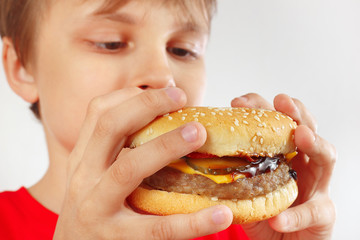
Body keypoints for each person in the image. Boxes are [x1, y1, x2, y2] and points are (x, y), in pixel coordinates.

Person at [0, 0, 336, 239]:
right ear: (20, 68)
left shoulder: (236, 223)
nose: (163, 76)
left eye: (183, 50)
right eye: (110, 43)